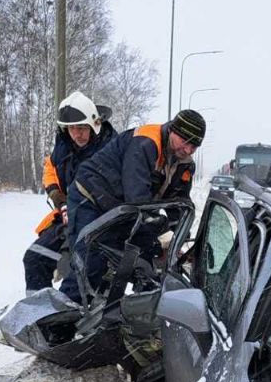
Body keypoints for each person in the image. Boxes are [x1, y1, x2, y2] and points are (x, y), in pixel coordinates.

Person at [59, 109, 205, 303]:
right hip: (90, 198)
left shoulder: (184, 164)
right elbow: (137, 198)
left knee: (138, 256)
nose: (187, 150)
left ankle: (108, 309)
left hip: (118, 207)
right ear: (172, 130)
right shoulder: (146, 142)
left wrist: (179, 240)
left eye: (194, 146)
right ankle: (56, 322)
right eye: (185, 141)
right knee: (89, 262)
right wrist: (161, 235)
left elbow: (179, 205)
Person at [23, 91, 116, 293]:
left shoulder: (111, 149)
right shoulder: (63, 148)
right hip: (66, 217)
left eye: (82, 128)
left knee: (89, 271)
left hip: (100, 222)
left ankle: (92, 317)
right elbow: (50, 169)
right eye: (72, 128)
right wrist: (58, 196)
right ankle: (41, 314)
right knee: (34, 258)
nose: (77, 134)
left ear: (94, 124)